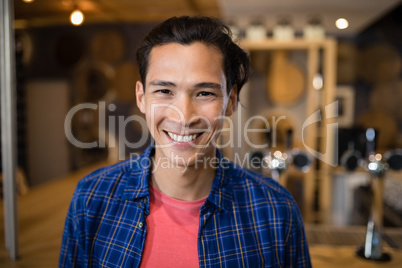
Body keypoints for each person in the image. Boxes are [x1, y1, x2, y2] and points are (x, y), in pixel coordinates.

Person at [60, 16, 311, 267]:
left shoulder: (276, 210)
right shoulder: (92, 199)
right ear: (141, 97)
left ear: (231, 100)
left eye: (204, 93)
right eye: (164, 91)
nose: (184, 116)